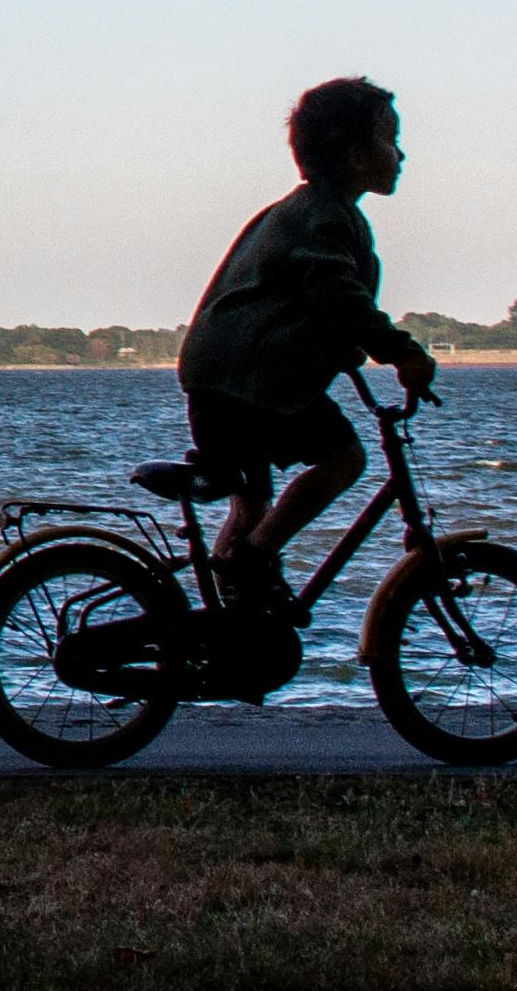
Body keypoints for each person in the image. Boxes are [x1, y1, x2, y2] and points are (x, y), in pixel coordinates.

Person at [174, 77, 436, 612]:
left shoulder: (302, 211)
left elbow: (305, 308)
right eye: (391, 139)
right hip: (253, 388)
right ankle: (250, 563)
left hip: (220, 383)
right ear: (356, 156)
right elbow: (338, 295)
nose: (401, 153)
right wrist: (401, 351)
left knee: (251, 504)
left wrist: (346, 353)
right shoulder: (324, 217)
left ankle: (229, 623)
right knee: (344, 459)